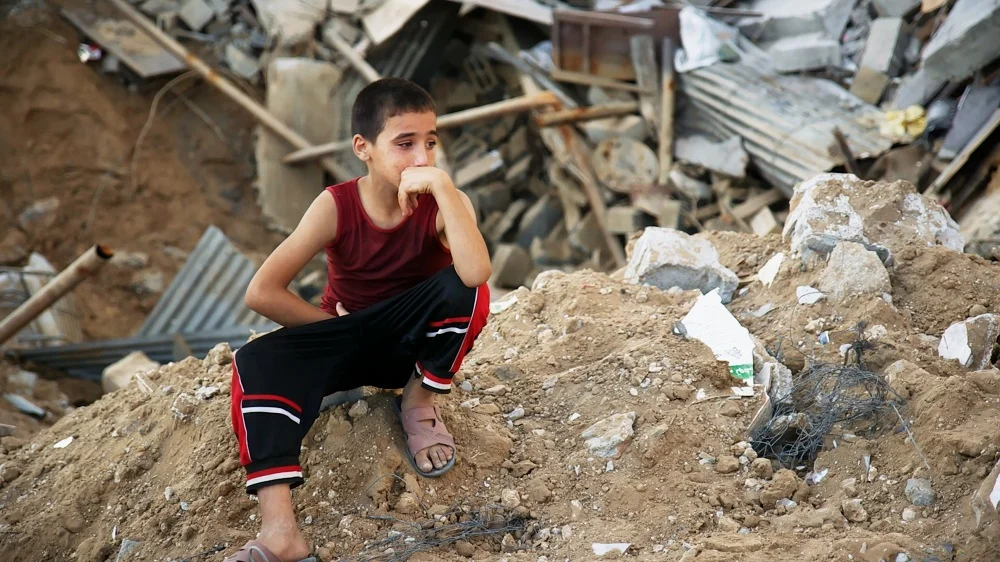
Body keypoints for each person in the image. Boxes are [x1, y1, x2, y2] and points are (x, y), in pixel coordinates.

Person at [223, 77, 492, 562]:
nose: (422, 158)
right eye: (404, 144)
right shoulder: (336, 205)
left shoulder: (443, 203)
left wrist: (444, 187)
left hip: (411, 349)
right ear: (363, 148)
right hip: (346, 338)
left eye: (431, 142)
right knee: (253, 362)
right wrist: (334, 330)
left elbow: (475, 274)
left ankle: (419, 401)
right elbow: (262, 292)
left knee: (466, 288)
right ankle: (281, 532)